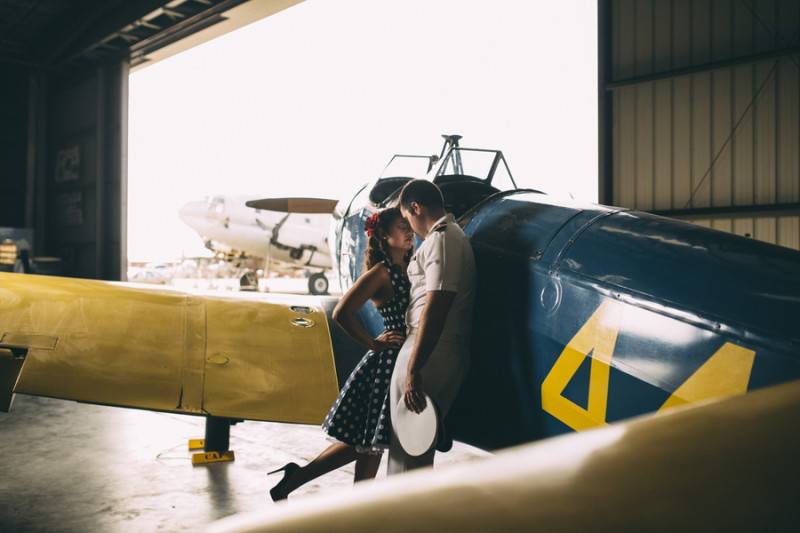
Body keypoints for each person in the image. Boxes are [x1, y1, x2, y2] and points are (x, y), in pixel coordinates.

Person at [267, 207, 414, 501]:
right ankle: (350, 504)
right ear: (385, 236)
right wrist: (373, 343)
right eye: (402, 227)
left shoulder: (404, 269)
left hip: (400, 358)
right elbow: (343, 312)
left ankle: (302, 480)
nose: (409, 231)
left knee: (367, 443)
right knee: (368, 443)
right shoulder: (382, 273)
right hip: (387, 362)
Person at [388, 179, 476, 474]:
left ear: (416, 207)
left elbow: (435, 306)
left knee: (409, 450)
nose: (409, 226)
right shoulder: (447, 237)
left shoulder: (443, 238)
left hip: (429, 350)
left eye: (407, 218)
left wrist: (414, 368)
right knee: (411, 445)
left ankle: (402, 517)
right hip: (430, 347)